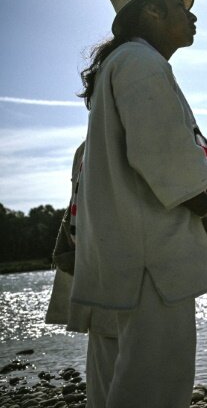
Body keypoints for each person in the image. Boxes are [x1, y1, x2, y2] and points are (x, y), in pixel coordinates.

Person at [71, 0, 207, 407]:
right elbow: (159, 156)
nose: (193, 16)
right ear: (152, 10)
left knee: (114, 381)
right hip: (151, 257)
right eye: (183, 7)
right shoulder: (142, 64)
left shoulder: (121, 64)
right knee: (155, 382)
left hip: (122, 253)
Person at [46, 141, 119, 408]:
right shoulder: (100, 145)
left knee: (105, 366)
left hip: (100, 274)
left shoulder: (87, 146)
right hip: (115, 272)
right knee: (119, 363)